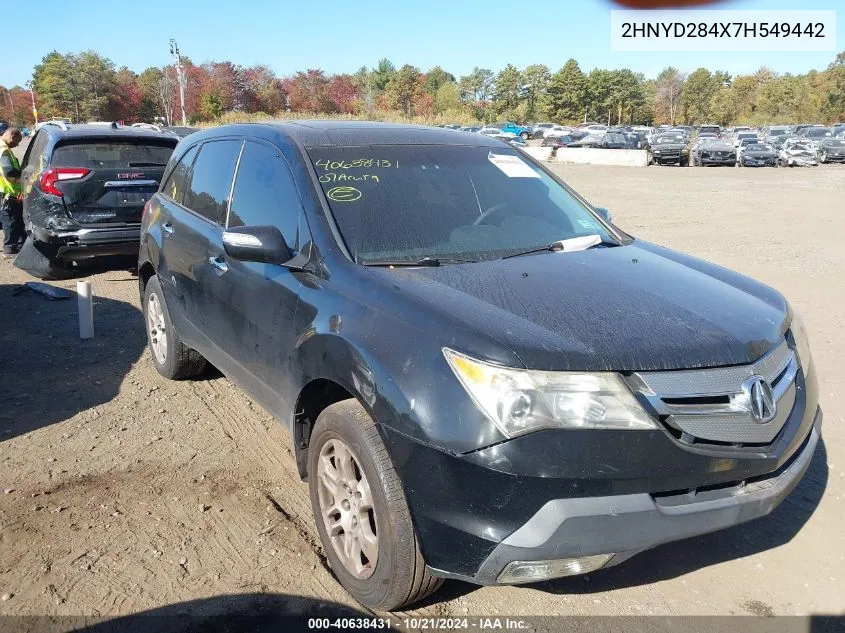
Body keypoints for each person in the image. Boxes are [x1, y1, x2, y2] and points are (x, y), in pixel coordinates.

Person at [0, 127, 25, 256]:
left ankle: (17, 246)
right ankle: (9, 249)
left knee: (15, 221)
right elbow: (8, 171)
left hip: (8, 192)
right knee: (11, 221)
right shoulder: (3, 150)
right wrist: (25, 173)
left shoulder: (4, 148)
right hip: (8, 193)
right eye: (17, 141)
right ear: (12, 136)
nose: (17, 145)